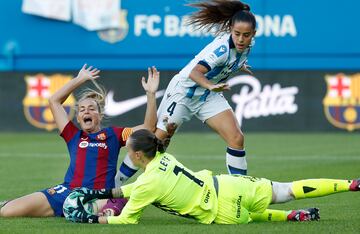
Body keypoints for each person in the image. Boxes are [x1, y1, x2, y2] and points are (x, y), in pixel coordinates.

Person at [65, 127, 360, 224]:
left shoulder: (147, 184)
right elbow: (137, 189)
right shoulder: (164, 158)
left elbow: (126, 220)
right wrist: (105, 193)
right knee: (289, 190)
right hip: (229, 184)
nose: (127, 153)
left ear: (137, 156)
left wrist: (92, 218)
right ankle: (351, 184)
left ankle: (289, 217)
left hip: (221, 213)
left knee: (250, 217)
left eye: (129, 151)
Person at [116, 0, 257, 186]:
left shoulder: (248, 45)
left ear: (253, 34)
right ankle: (114, 184)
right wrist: (210, 86)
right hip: (184, 92)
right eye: (237, 34)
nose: (240, 39)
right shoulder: (222, 49)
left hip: (207, 95)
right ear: (230, 29)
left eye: (246, 35)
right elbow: (194, 72)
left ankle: (241, 189)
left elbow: (231, 61)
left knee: (236, 138)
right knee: (152, 143)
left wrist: (239, 66)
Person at [0, 64, 160, 217]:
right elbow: (54, 101)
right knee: (7, 212)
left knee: (112, 207)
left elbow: (148, 128)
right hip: (67, 191)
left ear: (100, 115)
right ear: (78, 117)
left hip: (96, 196)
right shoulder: (73, 135)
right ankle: (62, 209)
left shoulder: (114, 134)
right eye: (82, 109)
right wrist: (80, 79)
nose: (86, 111)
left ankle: (74, 210)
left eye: (91, 108)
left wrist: (151, 94)